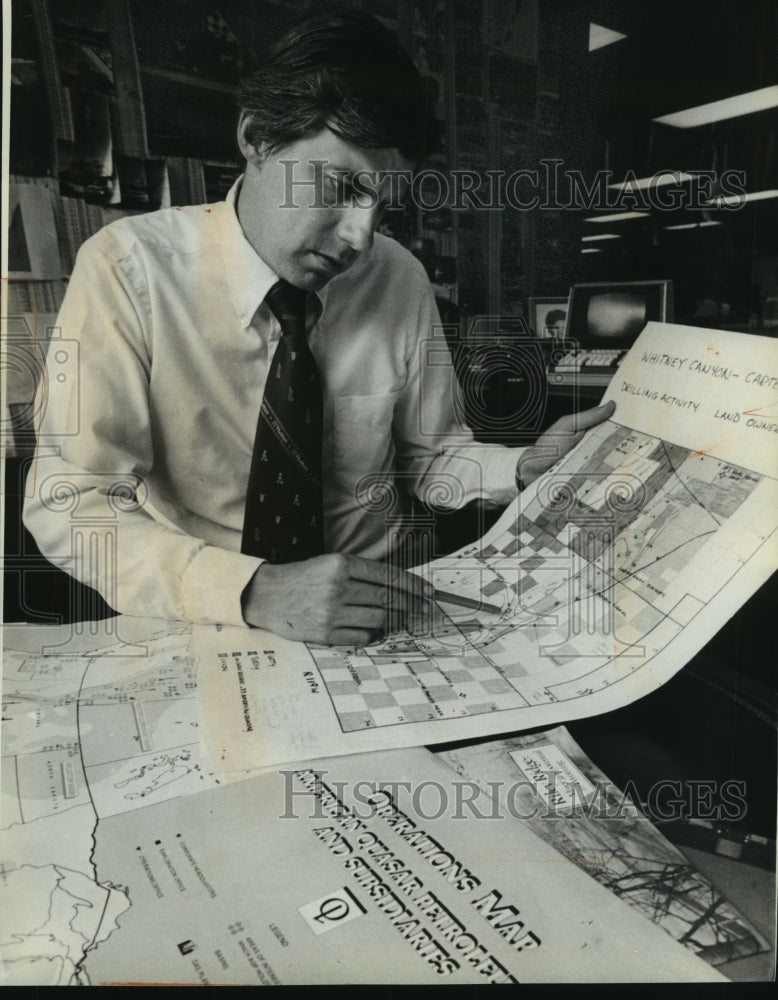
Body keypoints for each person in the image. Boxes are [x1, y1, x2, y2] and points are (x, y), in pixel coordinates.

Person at [24, 8, 613, 646]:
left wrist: (524, 467)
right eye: (341, 187)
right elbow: (73, 505)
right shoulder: (128, 268)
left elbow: (433, 456)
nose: (361, 238)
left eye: (384, 205)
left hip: (386, 612)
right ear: (257, 138)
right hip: (219, 615)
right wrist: (252, 589)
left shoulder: (399, 277)